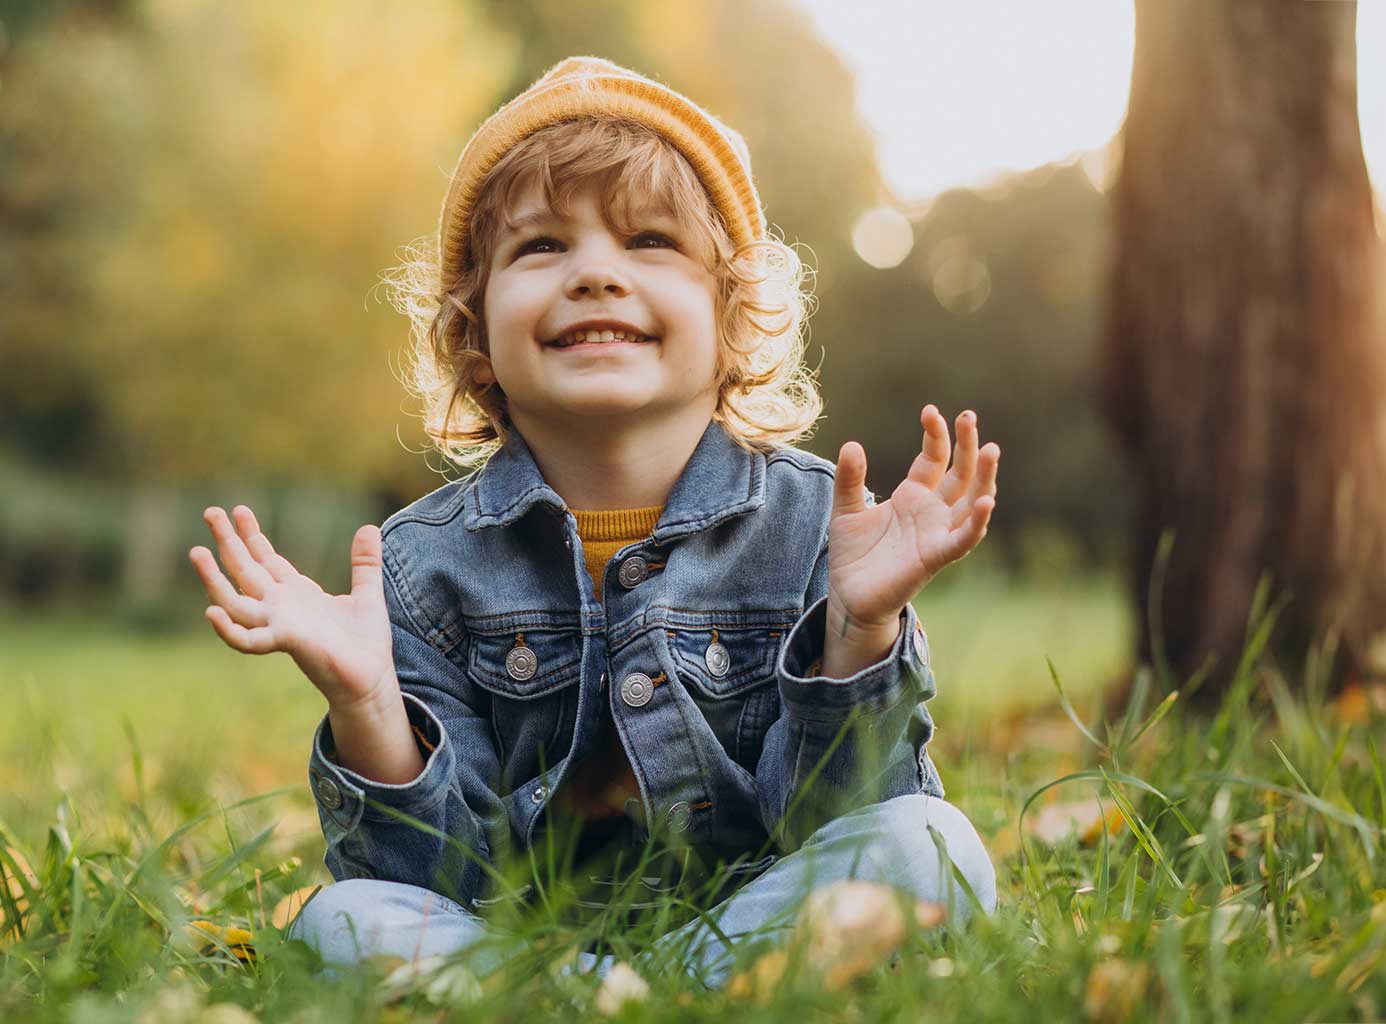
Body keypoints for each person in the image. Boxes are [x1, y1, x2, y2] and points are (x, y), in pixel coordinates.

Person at [188, 56, 1000, 988]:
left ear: (731, 316)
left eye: (649, 241)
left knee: (930, 845)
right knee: (343, 919)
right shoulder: (421, 568)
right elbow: (441, 883)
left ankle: (651, 996)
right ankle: (590, 997)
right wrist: (370, 708)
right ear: (475, 334)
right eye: (541, 248)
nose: (595, 275)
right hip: (520, 956)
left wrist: (861, 633)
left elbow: (832, 825)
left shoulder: (819, 525)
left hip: (756, 927)